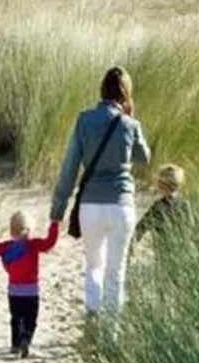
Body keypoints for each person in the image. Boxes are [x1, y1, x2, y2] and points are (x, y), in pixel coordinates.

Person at [49, 66, 151, 330]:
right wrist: (131, 119)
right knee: (115, 272)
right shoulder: (130, 124)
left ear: (102, 89)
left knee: (94, 265)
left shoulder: (84, 120)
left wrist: (58, 208)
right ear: (126, 93)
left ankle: (92, 323)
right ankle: (110, 333)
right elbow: (144, 158)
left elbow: (70, 168)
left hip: (91, 205)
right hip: (121, 203)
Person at [0, 211, 61, 359]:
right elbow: (49, 243)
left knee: (16, 319)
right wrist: (54, 224)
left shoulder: (7, 247)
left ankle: (15, 344)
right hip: (31, 292)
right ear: (29, 230)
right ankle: (26, 339)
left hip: (14, 292)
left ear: (11, 230)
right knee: (30, 320)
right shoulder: (33, 245)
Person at [134, 164, 188, 244]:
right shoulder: (185, 204)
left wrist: (132, 243)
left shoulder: (160, 206)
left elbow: (141, 228)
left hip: (162, 247)